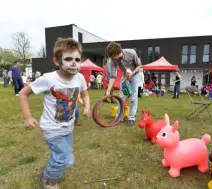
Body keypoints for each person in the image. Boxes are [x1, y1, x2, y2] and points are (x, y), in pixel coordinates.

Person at [19, 38, 91, 189]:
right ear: (56, 61)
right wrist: (27, 117)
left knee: (60, 157)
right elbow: (23, 94)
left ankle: (53, 172)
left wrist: (87, 107)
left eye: (77, 59)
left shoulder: (79, 78)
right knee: (66, 160)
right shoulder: (48, 79)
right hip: (52, 129)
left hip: (68, 128)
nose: (74, 63)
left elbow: (85, 94)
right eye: (68, 59)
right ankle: (47, 180)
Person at [105, 42, 142, 126]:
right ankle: (119, 117)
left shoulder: (131, 52)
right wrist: (108, 91)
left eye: (113, 56)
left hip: (135, 75)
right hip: (125, 76)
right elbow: (113, 76)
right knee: (122, 97)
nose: (112, 59)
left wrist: (131, 74)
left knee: (133, 97)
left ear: (119, 52)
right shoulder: (112, 60)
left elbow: (139, 65)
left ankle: (131, 118)